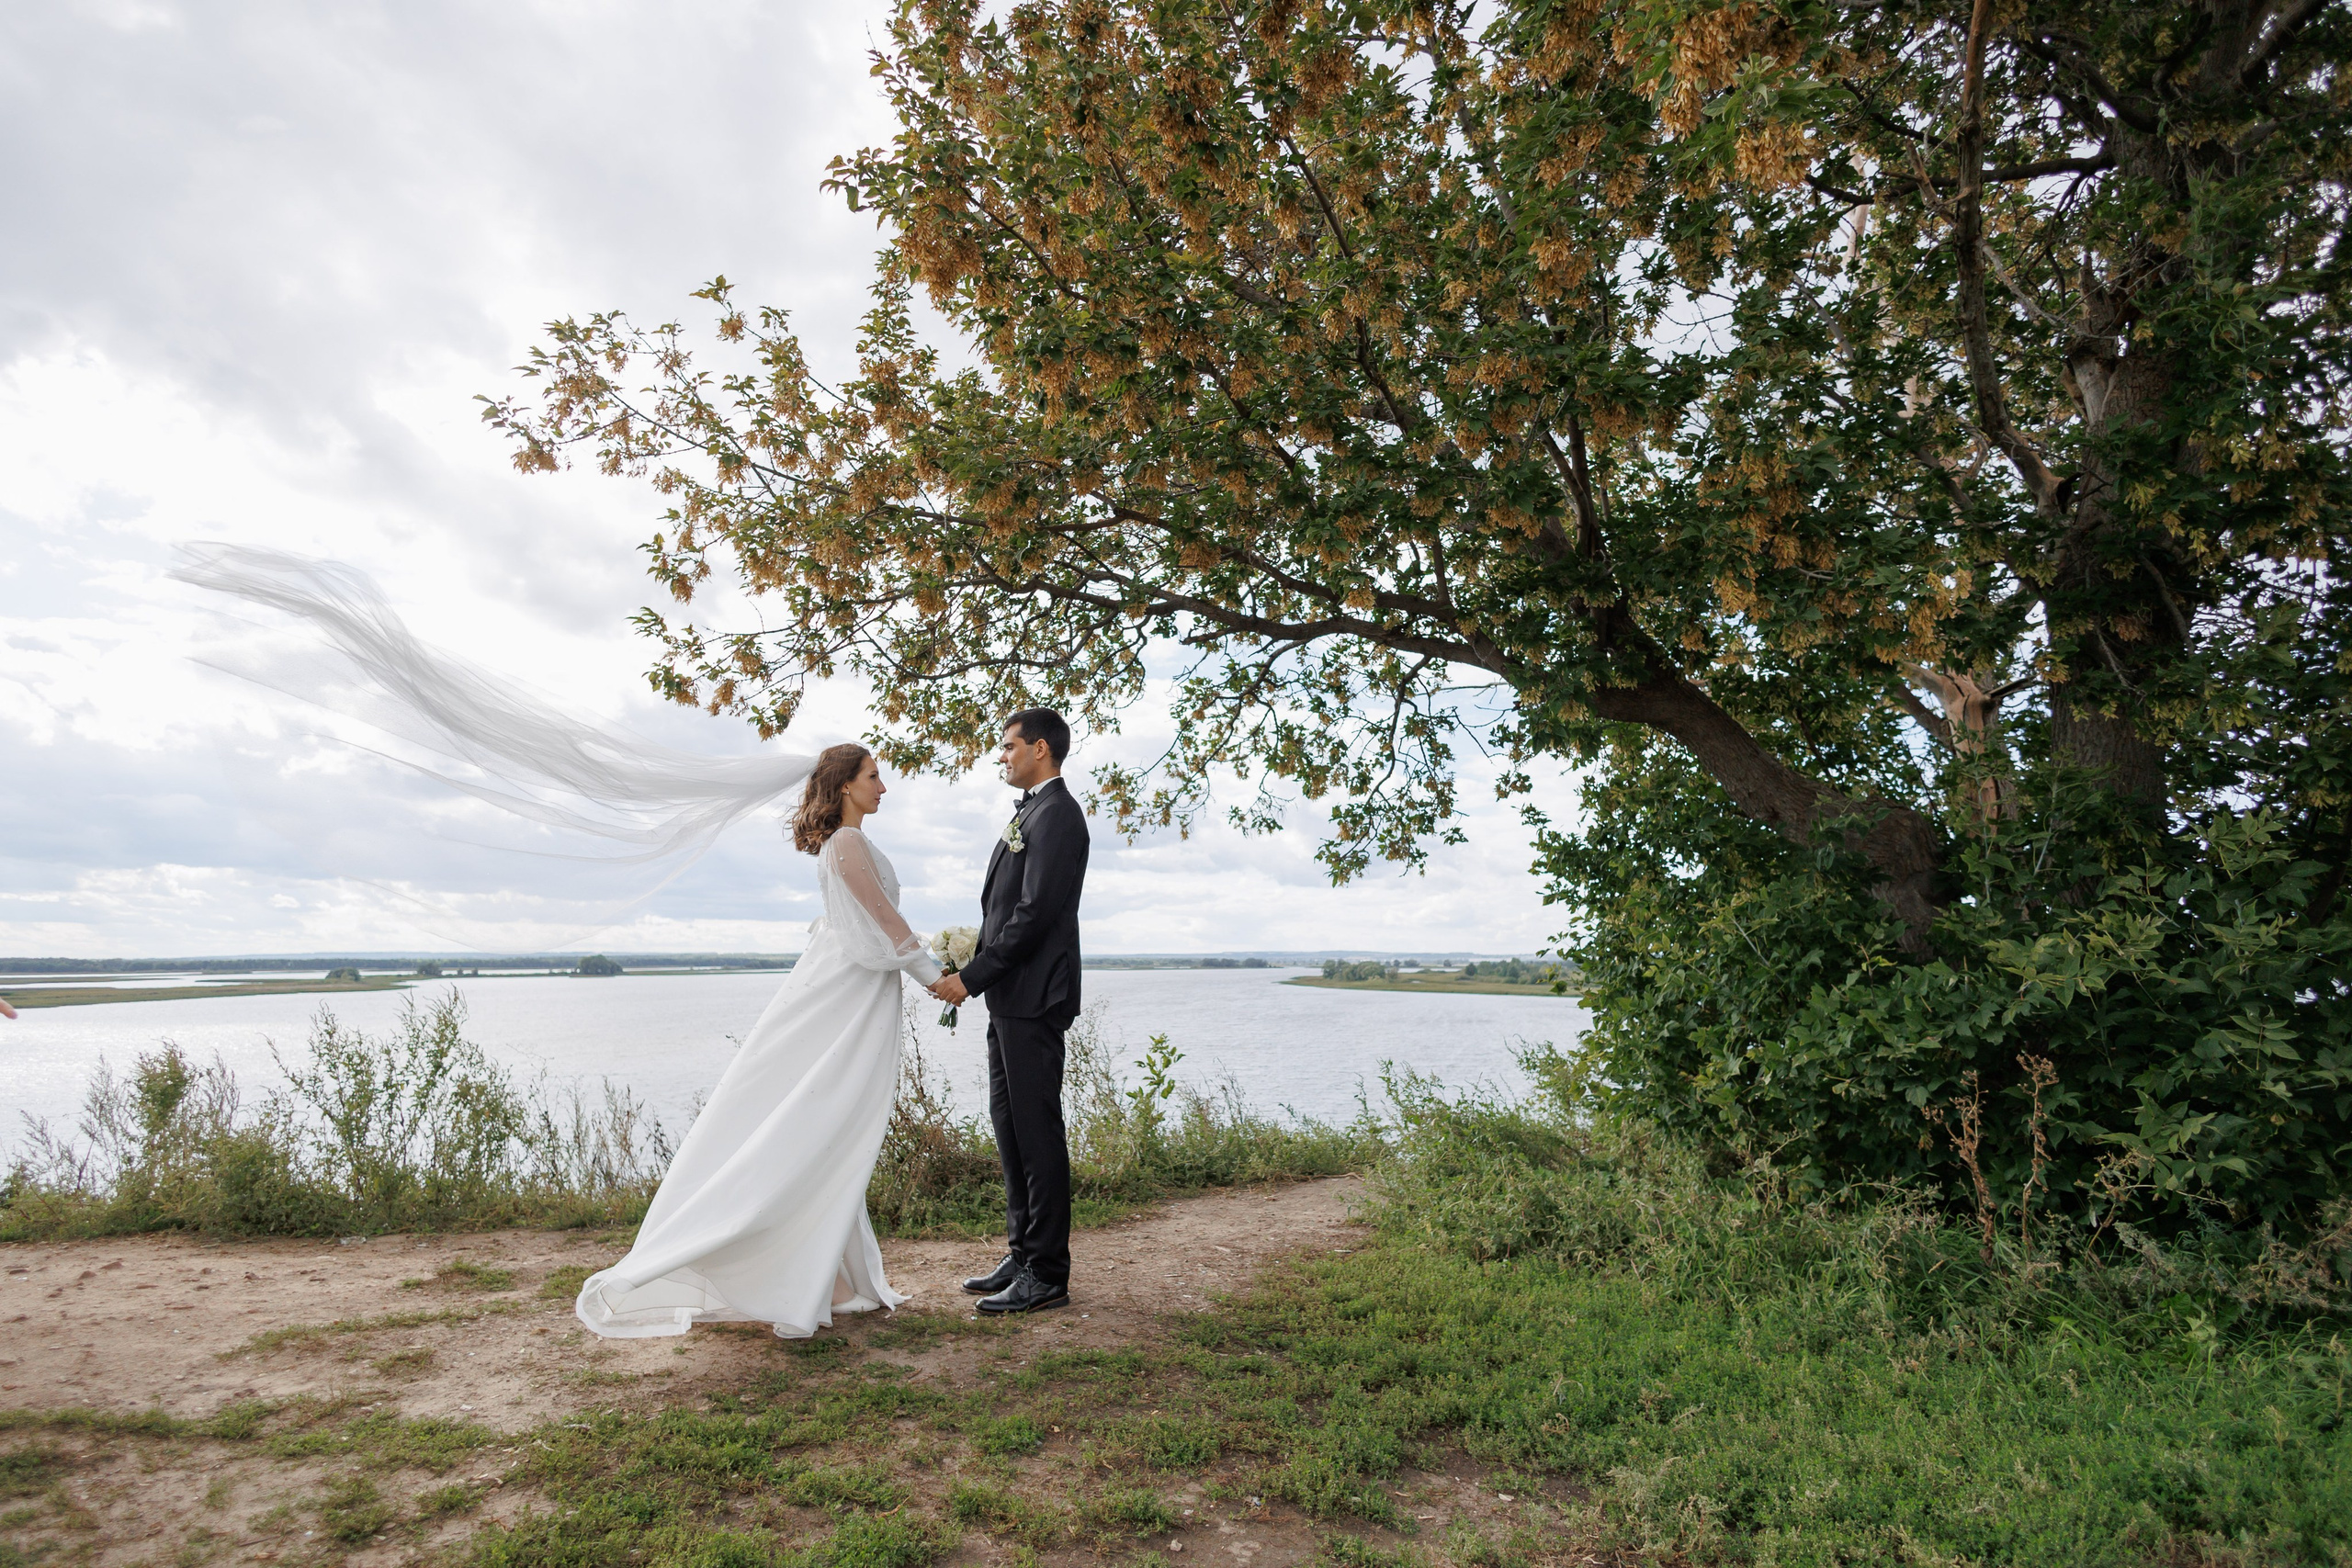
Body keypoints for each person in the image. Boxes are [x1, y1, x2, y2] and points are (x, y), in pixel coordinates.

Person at [573, 743, 942, 1340]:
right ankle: (803, 1276)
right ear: (845, 785)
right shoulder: (847, 844)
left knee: (830, 1129)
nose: (883, 786)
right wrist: (934, 975)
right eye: (874, 776)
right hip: (843, 997)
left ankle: (827, 1278)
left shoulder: (846, 844)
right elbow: (882, 919)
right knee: (824, 1124)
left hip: (851, 987)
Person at [931, 708, 1089, 1314]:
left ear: (1040, 750)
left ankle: (1048, 1273)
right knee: (1011, 1129)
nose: (1002, 756)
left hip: (1035, 998)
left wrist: (970, 977)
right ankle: (1023, 1252)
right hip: (1010, 999)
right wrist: (977, 957)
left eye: (1008, 746)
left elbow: (1034, 914)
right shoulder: (1032, 811)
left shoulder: (1059, 816)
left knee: (1038, 1132)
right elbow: (1007, 911)